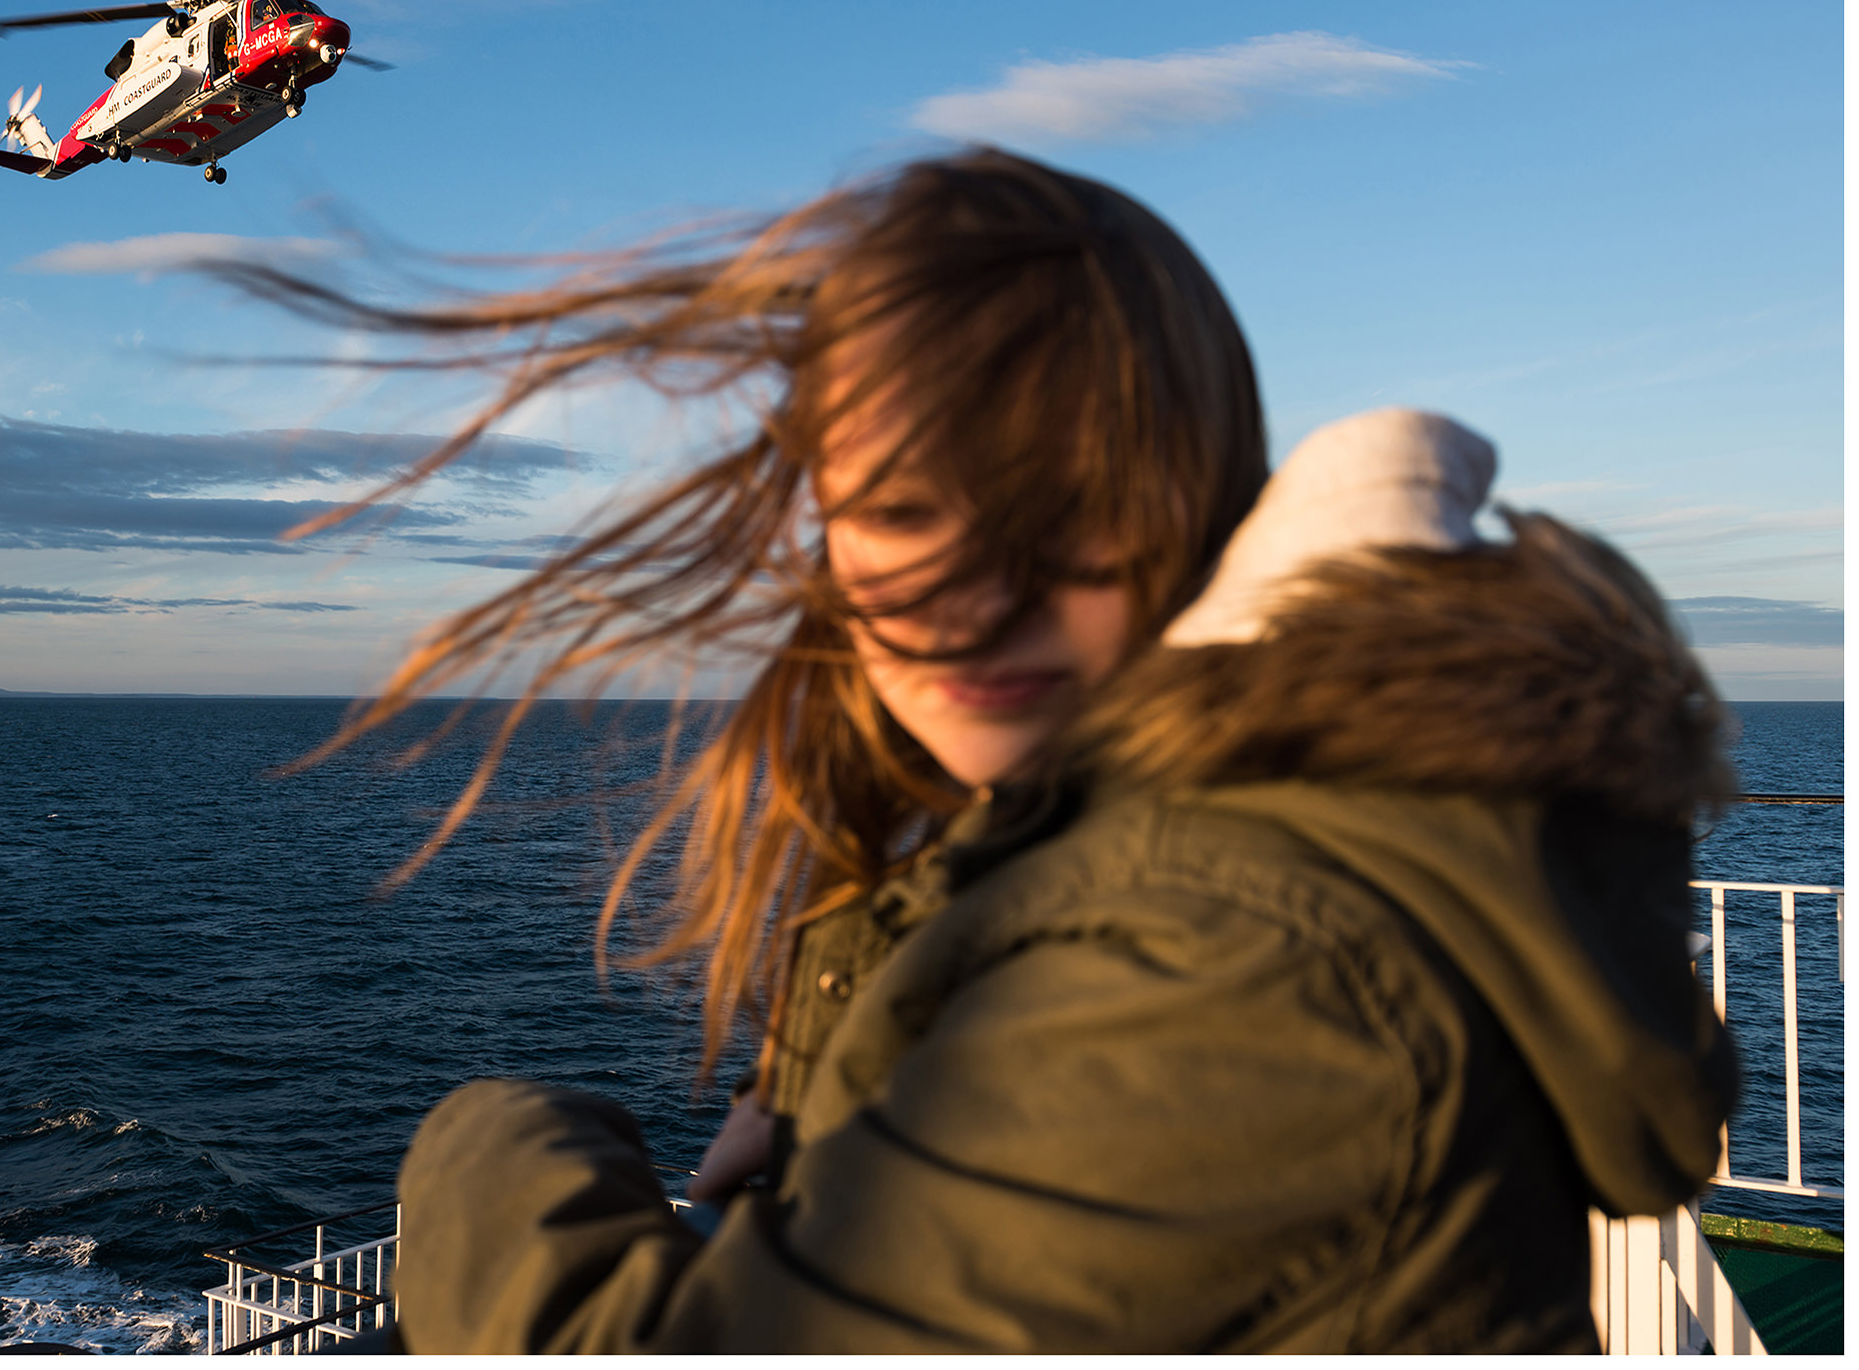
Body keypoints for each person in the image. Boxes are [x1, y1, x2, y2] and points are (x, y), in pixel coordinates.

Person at [220, 150, 1735, 1351]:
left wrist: (492, 1142)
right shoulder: (1192, 842)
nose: (972, 599)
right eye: (898, 513)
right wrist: (821, 1097)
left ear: (1207, 501)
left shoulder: (1248, 965)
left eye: (1063, 509)